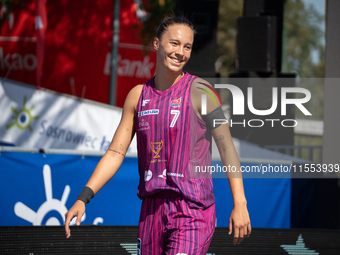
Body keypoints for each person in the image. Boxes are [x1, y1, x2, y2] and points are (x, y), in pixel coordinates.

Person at [65, 16, 251, 254]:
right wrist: (83, 197)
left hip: (192, 212)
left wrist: (240, 203)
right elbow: (115, 152)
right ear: (156, 43)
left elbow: (226, 150)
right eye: (174, 43)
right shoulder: (137, 96)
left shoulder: (203, 92)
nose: (180, 52)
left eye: (187, 47)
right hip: (151, 212)